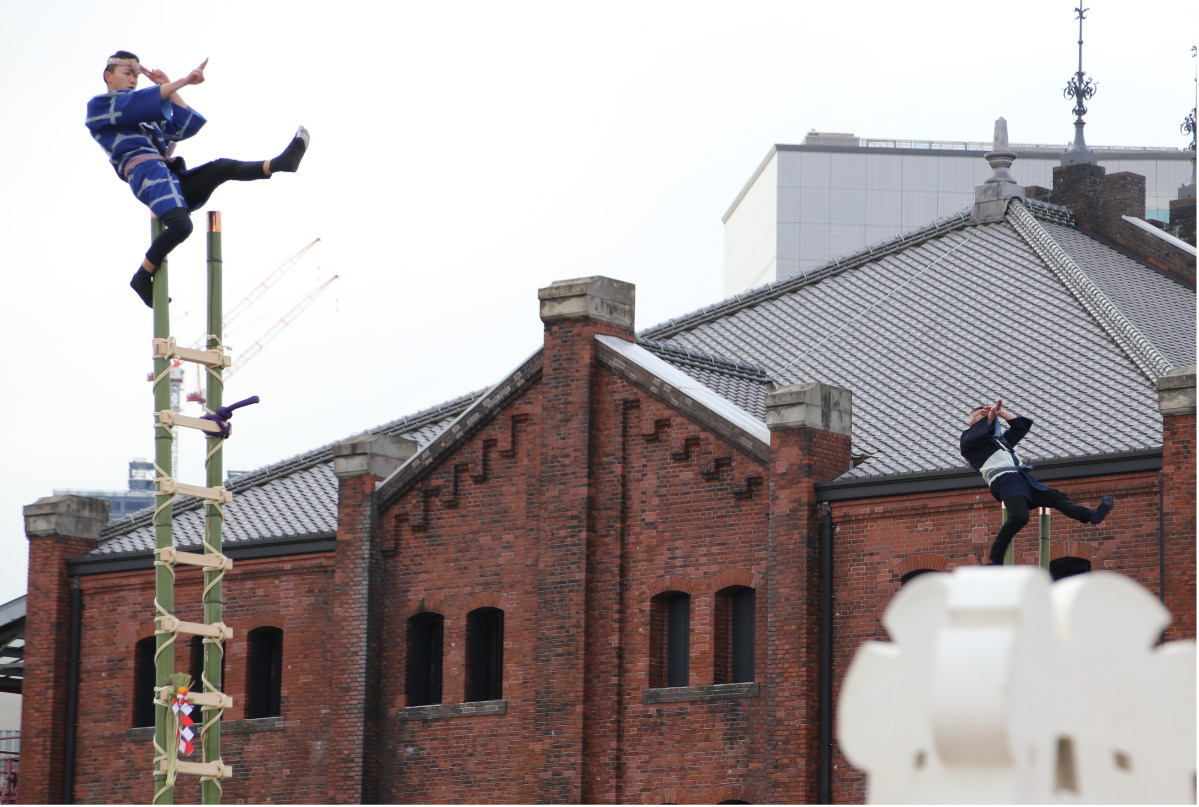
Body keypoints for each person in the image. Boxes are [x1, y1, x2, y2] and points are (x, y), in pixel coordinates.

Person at [86, 51, 310, 307]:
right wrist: (182, 81)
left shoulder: (145, 121)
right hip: (147, 176)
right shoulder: (99, 107)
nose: (133, 80)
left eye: (136, 76)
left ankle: (279, 164)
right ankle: (142, 276)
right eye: (127, 74)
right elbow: (133, 103)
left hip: (171, 177)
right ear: (108, 76)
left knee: (221, 167)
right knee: (182, 226)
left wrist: (167, 86)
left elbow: (184, 126)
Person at [960, 399, 1113, 566]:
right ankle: (996, 556)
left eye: (987, 415)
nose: (986, 417)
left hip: (1021, 478)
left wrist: (1001, 413)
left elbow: (1020, 427)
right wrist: (989, 416)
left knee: (1055, 497)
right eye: (980, 415)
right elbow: (977, 434)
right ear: (971, 423)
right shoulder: (968, 440)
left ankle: (1091, 516)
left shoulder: (1000, 441)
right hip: (1004, 479)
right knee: (1019, 517)